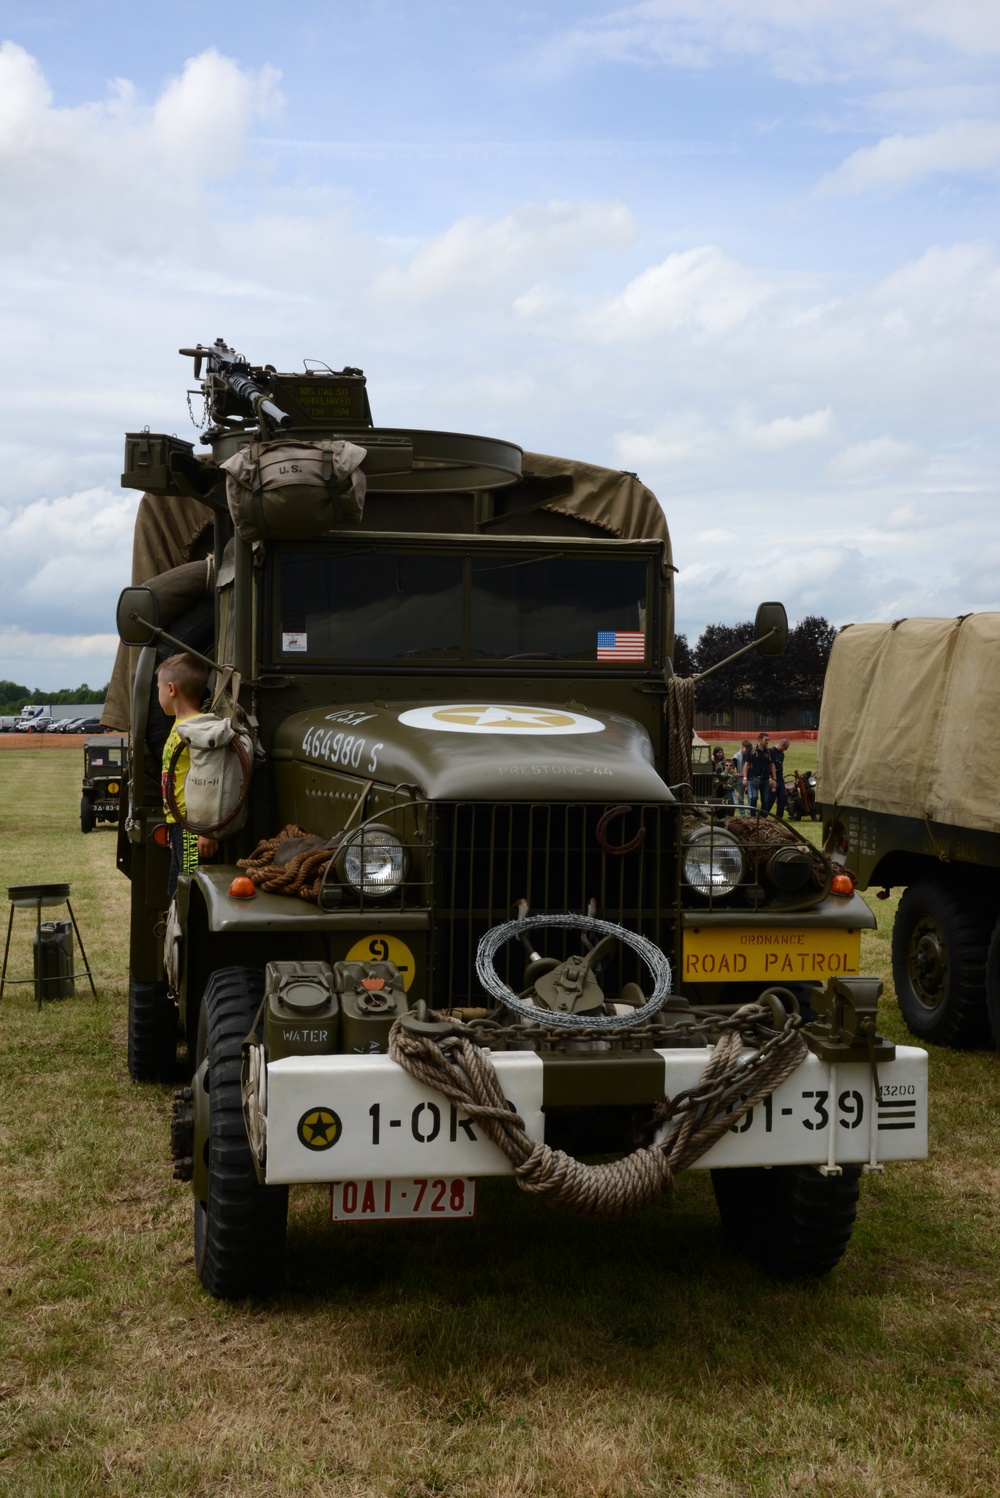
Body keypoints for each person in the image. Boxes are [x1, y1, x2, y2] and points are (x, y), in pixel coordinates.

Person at [157, 652, 218, 898]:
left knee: (191, 896)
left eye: (158, 688)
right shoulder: (181, 725)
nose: (158, 694)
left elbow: (211, 779)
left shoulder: (198, 729)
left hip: (192, 829)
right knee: (176, 891)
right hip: (179, 825)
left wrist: (206, 830)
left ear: (171, 689)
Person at [745, 731, 775, 815]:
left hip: (765, 778)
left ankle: (763, 817)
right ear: (759, 740)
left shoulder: (768, 751)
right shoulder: (752, 750)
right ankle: (753, 816)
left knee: (765, 799)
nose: (767, 742)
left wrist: (773, 778)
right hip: (753, 777)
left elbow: (772, 765)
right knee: (754, 797)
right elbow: (746, 764)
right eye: (766, 740)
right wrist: (745, 778)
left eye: (768, 740)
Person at [767, 738, 790, 819]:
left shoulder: (781, 754)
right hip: (773, 779)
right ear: (782, 745)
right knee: (770, 799)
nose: (785, 750)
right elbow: (768, 766)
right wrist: (770, 778)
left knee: (782, 799)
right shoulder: (771, 751)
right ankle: (763, 815)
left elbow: (780, 767)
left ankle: (779, 818)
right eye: (785, 748)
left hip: (780, 779)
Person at [733, 737, 753, 815]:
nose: (747, 751)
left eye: (749, 749)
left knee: (750, 797)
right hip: (740, 779)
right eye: (746, 749)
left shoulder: (751, 755)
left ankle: (750, 813)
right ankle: (742, 814)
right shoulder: (736, 757)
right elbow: (731, 770)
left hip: (749, 778)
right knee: (740, 798)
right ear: (742, 747)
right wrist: (739, 774)